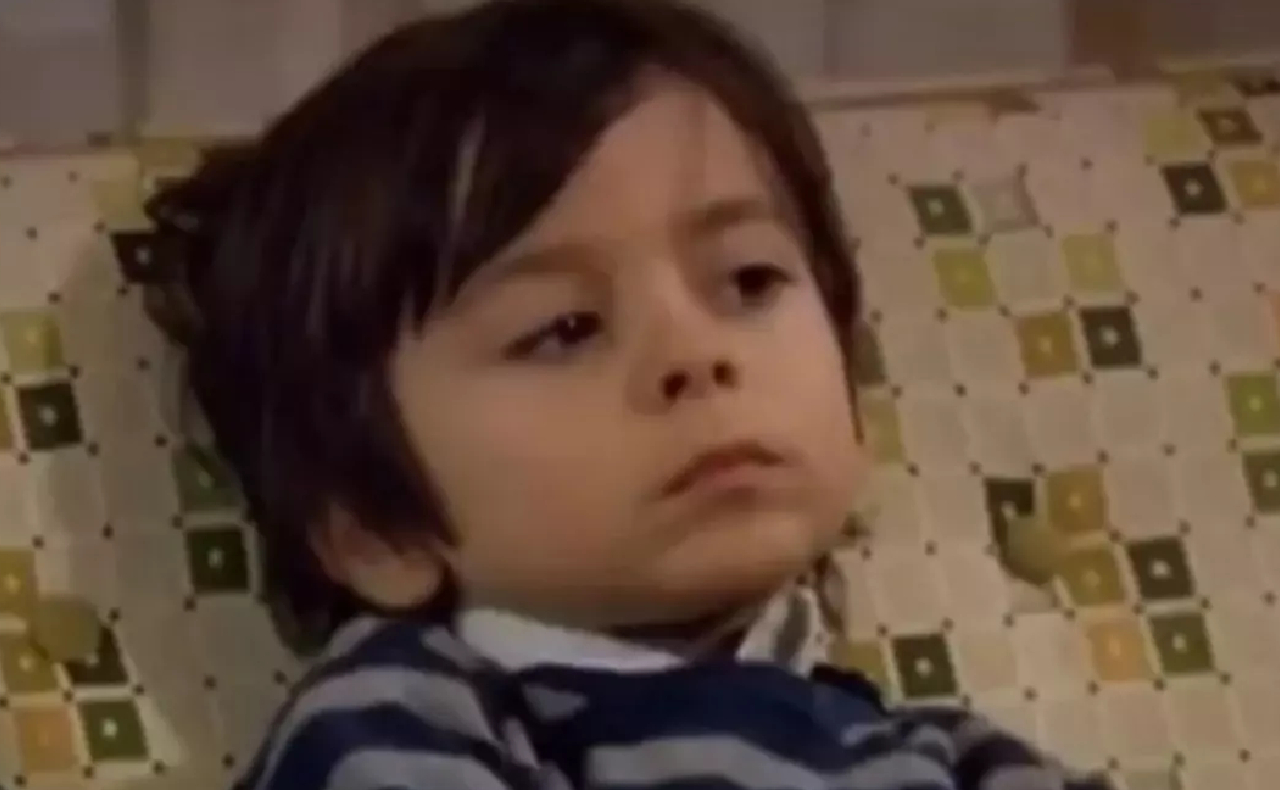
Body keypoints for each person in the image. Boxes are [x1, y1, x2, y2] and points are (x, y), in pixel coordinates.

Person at [124, 1, 1111, 788]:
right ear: (373, 528)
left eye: (749, 280)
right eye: (564, 329)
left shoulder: (945, 752)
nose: (696, 354)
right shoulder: (399, 721)